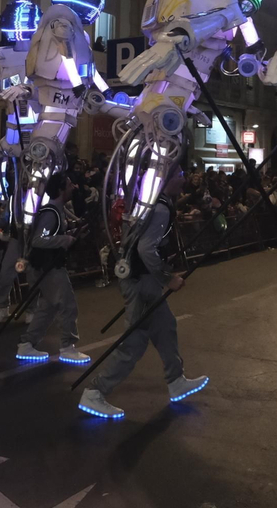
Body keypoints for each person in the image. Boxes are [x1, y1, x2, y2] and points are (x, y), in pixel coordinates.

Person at [79, 168, 207, 420]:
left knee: (166, 327)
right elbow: (146, 248)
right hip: (142, 281)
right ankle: (95, 392)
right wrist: (167, 278)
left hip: (140, 278)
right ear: (166, 179)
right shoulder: (159, 208)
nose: (183, 178)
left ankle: (175, 380)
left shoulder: (152, 202)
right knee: (133, 344)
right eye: (178, 174)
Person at [16, 173, 87, 364]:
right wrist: (64, 239)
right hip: (47, 267)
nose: (74, 187)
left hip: (46, 265)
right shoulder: (51, 212)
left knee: (47, 307)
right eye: (70, 184)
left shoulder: (57, 210)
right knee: (67, 304)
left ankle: (27, 344)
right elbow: (39, 239)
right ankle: (67, 346)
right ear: (60, 189)